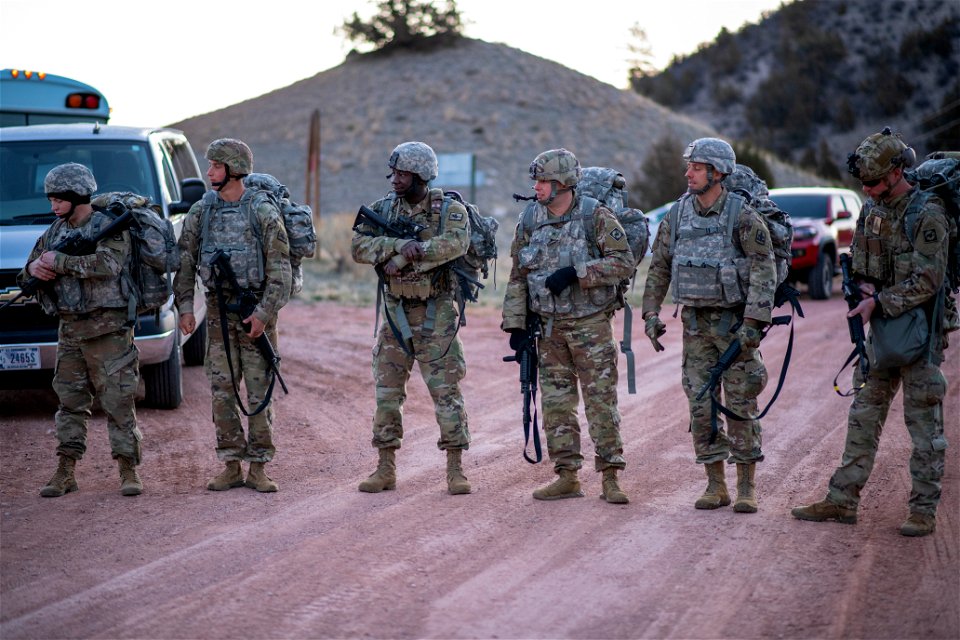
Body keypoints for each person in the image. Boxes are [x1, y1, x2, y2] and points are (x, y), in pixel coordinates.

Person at [792, 129, 950, 537]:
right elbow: (865, 263)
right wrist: (862, 288)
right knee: (863, 417)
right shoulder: (872, 210)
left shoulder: (926, 214)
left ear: (898, 171)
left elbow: (929, 280)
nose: (869, 189)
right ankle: (842, 501)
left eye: (876, 181)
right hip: (882, 332)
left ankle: (923, 510)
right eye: (864, 183)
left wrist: (878, 302)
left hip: (920, 332)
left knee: (924, 427)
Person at [641, 138, 777, 513]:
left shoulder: (742, 215)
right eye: (690, 167)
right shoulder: (678, 213)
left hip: (734, 327)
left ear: (718, 173)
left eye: (697, 168)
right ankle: (715, 485)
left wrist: (754, 322)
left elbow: (764, 269)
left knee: (740, 403)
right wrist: (651, 312)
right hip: (695, 325)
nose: (688, 174)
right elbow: (660, 266)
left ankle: (746, 486)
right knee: (700, 404)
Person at [501, 148, 634, 503]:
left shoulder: (595, 216)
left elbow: (623, 263)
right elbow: (518, 275)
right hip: (547, 329)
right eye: (537, 180)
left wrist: (578, 273)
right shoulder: (530, 218)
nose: (537, 187)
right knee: (557, 404)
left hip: (590, 326)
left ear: (563, 184)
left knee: (600, 401)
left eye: (543, 181)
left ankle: (610, 477)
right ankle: (567, 476)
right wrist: (515, 324)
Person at [351, 141, 473, 495]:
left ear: (421, 175)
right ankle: (385, 468)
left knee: (446, 393)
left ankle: (456, 469)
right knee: (386, 393)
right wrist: (393, 246)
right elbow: (359, 246)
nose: (395, 180)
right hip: (395, 314)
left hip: (436, 315)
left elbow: (455, 244)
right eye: (394, 173)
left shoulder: (449, 210)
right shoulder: (383, 209)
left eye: (403, 174)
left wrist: (410, 255)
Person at [173, 138, 291, 493]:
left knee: (259, 391)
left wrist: (264, 314)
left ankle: (258, 466)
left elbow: (280, 269)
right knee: (222, 389)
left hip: (256, 312)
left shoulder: (261, 211)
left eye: (215, 166)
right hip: (218, 313)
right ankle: (230, 464)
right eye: (209, 165)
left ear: (234, 169)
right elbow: (184, 261)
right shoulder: (202, 210)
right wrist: (184, 307)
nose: (208, 172)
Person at [20, 163, 144, 497]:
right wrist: (33, 267)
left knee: (118, 402)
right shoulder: (55, 232)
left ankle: (128, 470)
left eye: (59, 199)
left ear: (77, 195)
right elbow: (29, 273)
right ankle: (65, 470)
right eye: (51, 199)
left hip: (109, 331)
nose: (53, 206)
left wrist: (59, 263)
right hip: (71, 331)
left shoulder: (109, 227)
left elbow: (108, 265)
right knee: (70, 402)